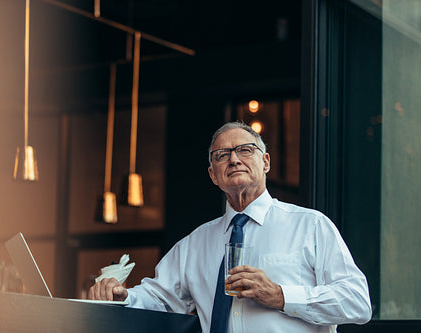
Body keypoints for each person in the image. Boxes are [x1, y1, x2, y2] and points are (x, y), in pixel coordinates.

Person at [89, 122, 372, 332]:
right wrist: (124, 296)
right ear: (213, 175)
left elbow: (357, 302)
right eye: (222, 155)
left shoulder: (310, 226)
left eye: (245, 150)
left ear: (266, 162)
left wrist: (280, 295)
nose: (234, 159)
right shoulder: (194, 244)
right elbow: (159, 297)